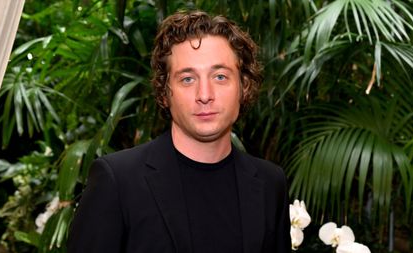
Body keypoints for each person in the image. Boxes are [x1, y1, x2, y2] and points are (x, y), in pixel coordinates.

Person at [67, 10, 288, 253]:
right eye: (187, 79)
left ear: (243, 87)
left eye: (220, 76)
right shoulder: (117, 182)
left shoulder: (270, 184)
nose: (205, 95)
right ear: (164, 92)